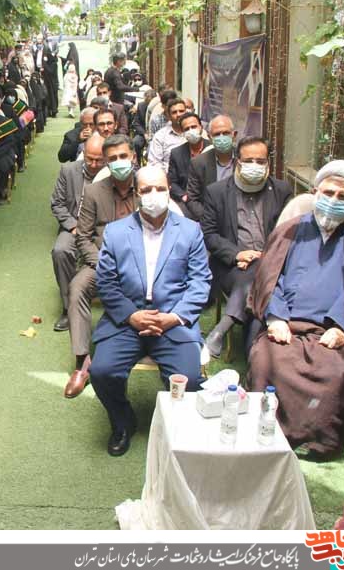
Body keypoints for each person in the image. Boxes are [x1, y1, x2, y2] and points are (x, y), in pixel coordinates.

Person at [248, 160, 344, 459]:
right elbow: (269, 278)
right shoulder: (289, 231)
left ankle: (320, 441)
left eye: (342, 197)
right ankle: (268, 432)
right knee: (267, 361)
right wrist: (276, 317)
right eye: (328, 193)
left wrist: (341, 328)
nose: (333, 200)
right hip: (286, 325)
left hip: (331, 331)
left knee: (337, 371)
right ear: (315, 191)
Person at [89, 166, 210, 456]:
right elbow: (106, 283)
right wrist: (132, 316)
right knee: (102, 372)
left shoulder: (190, 231)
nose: (154, 195)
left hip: (171, 319)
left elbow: (200, 281)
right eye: (146, 190)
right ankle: (123, 422)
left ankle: (176, 426)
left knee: (189, 379)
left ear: (169, 191)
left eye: (160, 188)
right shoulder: (116, 233)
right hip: (126, 320)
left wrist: (173, 317)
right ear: (136, 193)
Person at [200, 136, 292, 357]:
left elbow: (289, 233)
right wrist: (237, 254)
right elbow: (209, 235)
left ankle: (222, 329)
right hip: (231, 267)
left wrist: (265, 257)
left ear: (268, 162)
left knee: (259, 274)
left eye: (260, 161)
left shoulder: (282, 190)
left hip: (272, 264)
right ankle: (253, 352)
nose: (255, 165)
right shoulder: (216, 192)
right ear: (237, 161)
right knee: (256, 278)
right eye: (249, 160)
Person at [64, 135, 138, 399]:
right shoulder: (94, 192)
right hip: (102, 263)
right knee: (77, 287)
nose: (119, 162)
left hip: (141, 266)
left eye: (123, 156)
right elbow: (83, 237)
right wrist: (103, 264)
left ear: (133, 157)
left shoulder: (146, 189)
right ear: (106, 162)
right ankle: (82, 362)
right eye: (113, 158)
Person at [51, 136, 105, 333]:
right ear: (84, 154)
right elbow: (57, 204)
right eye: (90, 159)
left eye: (99, 160)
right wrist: (74, 226)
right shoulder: (68, 170)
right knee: (60, 251)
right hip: (75, 225)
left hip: (102, 228)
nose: (94, 164)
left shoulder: (111, 173)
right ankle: (69, 308)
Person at [185, 115, 236, 221]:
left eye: (226, 133)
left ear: (234, 135)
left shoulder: (243, 159)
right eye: (217, 134)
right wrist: (208, 219)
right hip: (209, 219)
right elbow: (192, 199)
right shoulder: (199, 163)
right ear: (209, 137)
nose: (222, 137)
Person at [167, 112, 208, 217]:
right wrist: (184, 197)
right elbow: (172, 182)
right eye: (187, 129)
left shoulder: (212, 148)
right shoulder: (176, 153)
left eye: (193, 127)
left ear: (201, 127)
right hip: (186, 202)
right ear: (182, 132)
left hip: (210, 201)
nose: (191, 130)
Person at [147, 97, 188, 172]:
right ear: (168, 116)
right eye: (174, 112)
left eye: (181, 111)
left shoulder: (194, 131)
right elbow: (154, 163)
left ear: (186, 112)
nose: (178, 114)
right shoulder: (160, 136)